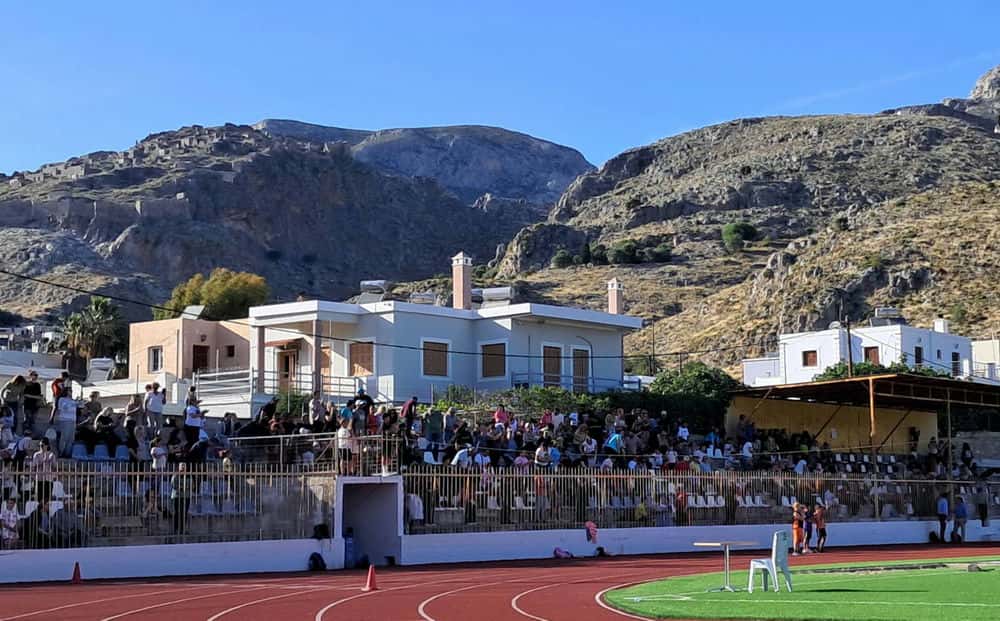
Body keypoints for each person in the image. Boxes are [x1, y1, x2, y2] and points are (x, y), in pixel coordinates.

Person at [49, 385, 79, 457]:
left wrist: (78, 402)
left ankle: (67, 453)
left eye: (71, 391)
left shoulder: (72, 400)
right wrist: (73, 404)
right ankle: (61, 452)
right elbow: (63, 408)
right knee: (64, 437)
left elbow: (79, 406)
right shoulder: (62, 399)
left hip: (73, 420)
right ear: (66, 392)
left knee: (71, 438)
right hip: (65, 420)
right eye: (70, 391)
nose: (71, 392)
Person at [170, 463, 193, 537]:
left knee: (184, 513)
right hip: (177, 496)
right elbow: (174, 485)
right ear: (179, 468)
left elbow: (192, 486)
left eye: (184, 467)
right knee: (177, 513)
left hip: (186, 497)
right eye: (181, 467)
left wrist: (183, 487)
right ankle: (176, 528)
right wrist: (184, 487)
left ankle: (182, 529)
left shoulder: (189, 476)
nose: (183, 468)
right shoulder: (175, 476)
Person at [22, 371, 43, 437]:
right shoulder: (27, 384)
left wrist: (31, 396)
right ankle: (25, 434)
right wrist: (34, 396)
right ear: (30, 376)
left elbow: (39, 395)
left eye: (36, 375)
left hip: (35, 405)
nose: (36, 376)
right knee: (27, 419)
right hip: (27, 404)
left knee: (33, 420)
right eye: (34, 375)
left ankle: (31, 434)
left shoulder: (38, 385)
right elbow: (24, 394)